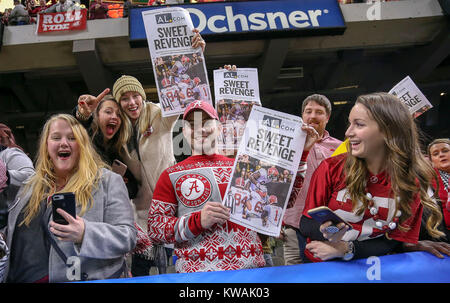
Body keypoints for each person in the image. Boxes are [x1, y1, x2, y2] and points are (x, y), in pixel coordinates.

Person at [147, 97, 319, 273]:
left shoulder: (241, 167)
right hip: (198, 276)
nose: (200, 128)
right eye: (192, 124)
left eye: (206, 122)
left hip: (250, 272)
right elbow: (155, 229)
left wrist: (302, 154)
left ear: (220, 128)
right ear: (183, 131)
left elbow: (284, 202)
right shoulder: (171, 175)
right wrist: (196, 221)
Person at [299, 92, 444, 263]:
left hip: (370, 268)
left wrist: (346, 248)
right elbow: (306, 222)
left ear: (389, 130)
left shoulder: (411, 181)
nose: (348, 132)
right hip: (324, 268)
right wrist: (331, 233)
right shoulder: (332, 167)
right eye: (350, 123)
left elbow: (393, 240)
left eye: (359, 124)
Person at [1, 114, 136, 282]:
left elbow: (127, 237)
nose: (63, 143)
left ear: (82, 145)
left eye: (72, 138)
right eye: (56, 137)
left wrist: (85, 233)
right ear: (46, 145)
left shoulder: (107, 182)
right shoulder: (29, 186)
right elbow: (24, 233)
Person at [282, 94, 342, 265]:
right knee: (294, 276)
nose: (313, 116)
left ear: (328, 118)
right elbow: (278, 183)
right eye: (308, 111)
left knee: (328, 274)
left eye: (319, 112)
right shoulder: (288, 144)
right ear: (302, 116)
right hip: (294, 225)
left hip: (329, 225)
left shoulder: (341, 148)